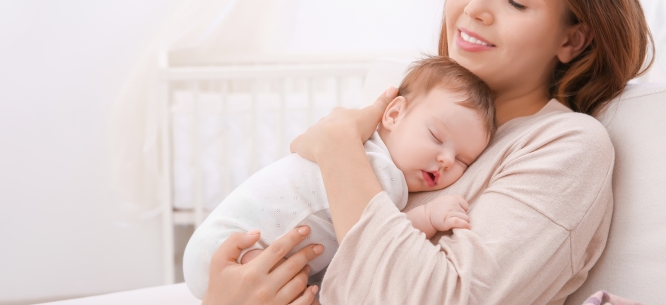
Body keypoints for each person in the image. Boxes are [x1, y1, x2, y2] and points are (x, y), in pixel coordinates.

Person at [199, 0, 654, 304]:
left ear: (572, 39)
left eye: (516, 1)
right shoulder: (412, 112)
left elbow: (433, 298)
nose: (475, 7)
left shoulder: (568, 147)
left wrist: (339, 143)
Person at [183, 57, 496, 299]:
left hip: (217, 251)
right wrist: (429, 215)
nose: (446, 159)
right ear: (394, 114)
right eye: (437, 136)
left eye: (462, 160)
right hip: (228, 247)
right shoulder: (374, 164)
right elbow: (376, 237)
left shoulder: (360, 152)